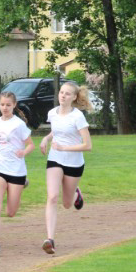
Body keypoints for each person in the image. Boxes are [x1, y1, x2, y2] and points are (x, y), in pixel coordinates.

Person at [39, 82, 93, 254]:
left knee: (67, 204)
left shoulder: (78, 117)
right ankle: (50, 239)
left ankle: (76, 193)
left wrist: (64, 148)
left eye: (67, 94)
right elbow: (57, 130)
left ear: (74, 97)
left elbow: (88, 145)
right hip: (55, 159)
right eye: (61, 92)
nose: (63, 96)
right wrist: (46, 139)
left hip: (74, 163)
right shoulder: (52, 113)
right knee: (52, 197)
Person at [0, 92, 35, 257]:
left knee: (11, 212)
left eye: (8, 105)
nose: (5, 108)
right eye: (2, 104)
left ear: (14, 105)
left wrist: (23, 152)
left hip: (17, 171)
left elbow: (31, 145)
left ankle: (21, 184)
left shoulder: (19, 124)